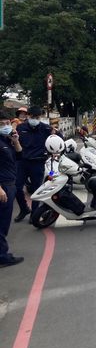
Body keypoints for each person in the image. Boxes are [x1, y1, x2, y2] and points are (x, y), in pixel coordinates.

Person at [14, 106, 55, 223]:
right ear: (28, 116)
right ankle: (24, 209)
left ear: (40, 117)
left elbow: (57, 139)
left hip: (38, 163)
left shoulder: (46, 128)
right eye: (32, 117)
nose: (34, 119)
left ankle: (34, 213)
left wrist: (54, 151)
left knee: (37, 190)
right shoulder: (20, 128)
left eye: (37, 117)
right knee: (16, 188)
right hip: (22, 162)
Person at [0, 110, 24, 267]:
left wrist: (15, 141)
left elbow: (19, 156)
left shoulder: (6, 140)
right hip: (3, 186)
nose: (5, 126)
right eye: (1, 124)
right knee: (1, 223)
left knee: (5, 221)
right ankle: (2, 256)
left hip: (10, 183)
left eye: (7, 123)